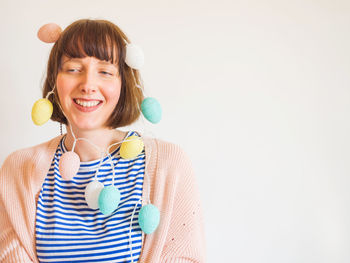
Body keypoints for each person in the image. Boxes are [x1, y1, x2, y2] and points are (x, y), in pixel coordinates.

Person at [0, 19, 206, 262]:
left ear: (124, 84)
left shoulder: (170, 165)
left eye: (105, 72)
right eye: (73, 68)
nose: (88, 84)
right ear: (55, 81)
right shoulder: (18, 170)